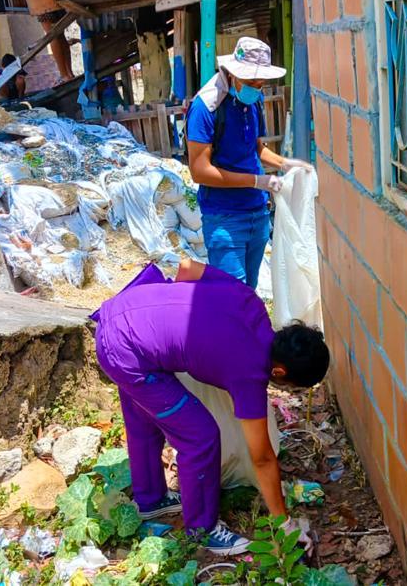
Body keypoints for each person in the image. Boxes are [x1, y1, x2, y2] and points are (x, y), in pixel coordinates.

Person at [90, 258, 330, 555]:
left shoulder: (250, 301)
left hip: (122, 314)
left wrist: (175, 327)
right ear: (280, 373)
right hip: (127, 353)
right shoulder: (250, 371)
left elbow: (187, 266)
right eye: (291, 386)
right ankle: (202, 530)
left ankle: (150, 500)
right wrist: (283, 521)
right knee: (200, 437)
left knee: (144, 418)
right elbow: (262, 458)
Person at [186, 37, 312, 288]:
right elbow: (200, 171)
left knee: (249, 293)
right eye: (251, 81)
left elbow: (255, 147)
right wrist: (257, 181)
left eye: (261, 82)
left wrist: (285, 163)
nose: (257, 86)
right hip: (225, 217)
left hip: (258, 214)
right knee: (232, 299)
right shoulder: (206, 107)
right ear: (232, 73)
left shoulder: (253, 100)